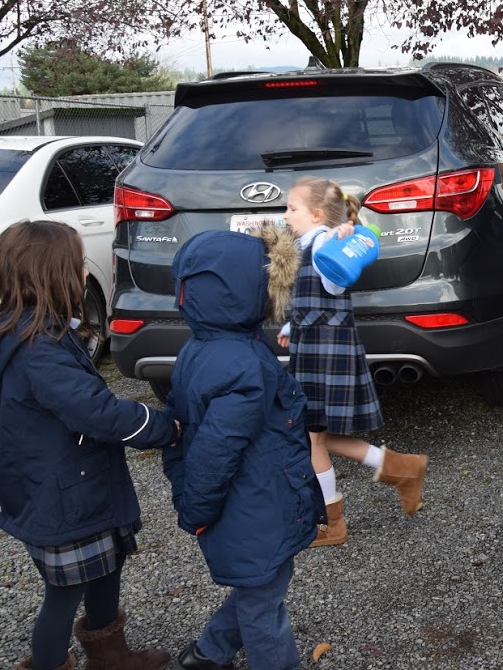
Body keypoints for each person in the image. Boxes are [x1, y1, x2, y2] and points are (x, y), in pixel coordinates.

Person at [0, 220, 177, 670]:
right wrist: (165, 427)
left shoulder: (24, 331)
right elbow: (97, 413)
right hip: (61, 493)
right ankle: (47, 663)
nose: (85, 272)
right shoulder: (39, 350)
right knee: (64, 593)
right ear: (57, 275)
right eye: (78, 263)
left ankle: (110, 654)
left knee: (107, 566)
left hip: (75, 481)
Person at [163, 228, 323, 670]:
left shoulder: (203, 349)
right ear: (249, 293)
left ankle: (210, 653)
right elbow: (218, 447)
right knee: (264, 606)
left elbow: (185, 429)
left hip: (252, 504)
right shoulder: (243, 365)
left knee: (261, 585)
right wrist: (196, 508)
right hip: (252, 507)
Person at [276, 176, 428, 546]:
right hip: (315, 349)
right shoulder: (307, 246)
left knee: (312, 438)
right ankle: (403, 468)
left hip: (326, 354)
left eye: (292, 208)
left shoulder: (327, 244)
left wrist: (344, 231)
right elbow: (313, 303)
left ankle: (333, 523)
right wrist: (291, 326)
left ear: (315, 214)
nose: (285, 215)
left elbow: (332, 278)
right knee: (321, 436)